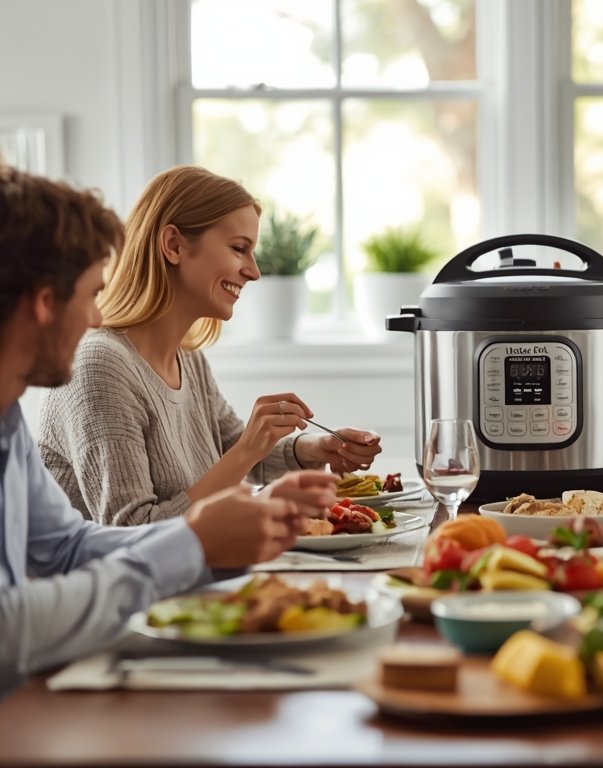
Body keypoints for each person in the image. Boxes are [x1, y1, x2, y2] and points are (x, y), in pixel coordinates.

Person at [0, 165, 339, 696]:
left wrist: (216, 530)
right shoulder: (100, 362)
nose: (95, 318)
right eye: (90, 294)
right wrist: (194, 541)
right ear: (45, 303)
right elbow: (11, 627)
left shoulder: (8, 422)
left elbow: (66, 548)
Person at [37, 165, 382, 526]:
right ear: (173, 245)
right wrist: (248, 449)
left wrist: (316, 447)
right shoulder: (99, 365)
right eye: (238, 249)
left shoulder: (188, 359)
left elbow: (237, 457)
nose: (254, 271)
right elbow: (131, 531)